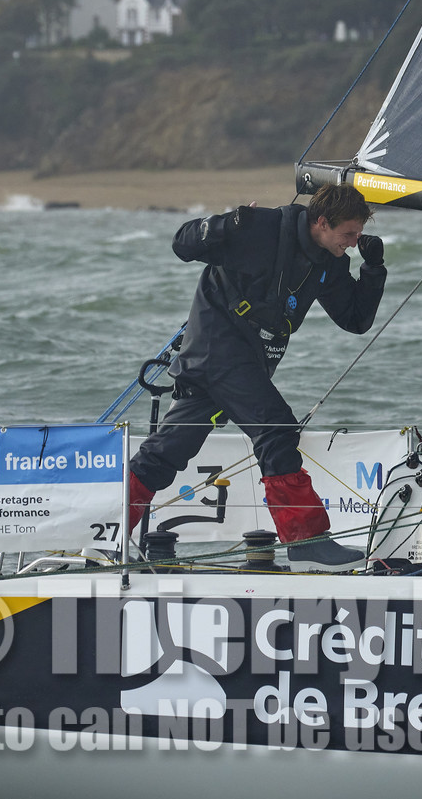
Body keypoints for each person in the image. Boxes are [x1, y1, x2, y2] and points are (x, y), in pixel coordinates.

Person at [126, 183, 386, 570]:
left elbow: (355, 320)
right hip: (216, 349)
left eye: (358, 235)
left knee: (166, 453)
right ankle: (306, 542)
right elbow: (182, 244)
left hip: (244, 363)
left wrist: (373, 269)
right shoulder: (261, 228)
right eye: (348, 234)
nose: (352, 242)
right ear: (321, 222)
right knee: (276, 430)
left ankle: (101, 531)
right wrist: (226, 223)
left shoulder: (329, 260)